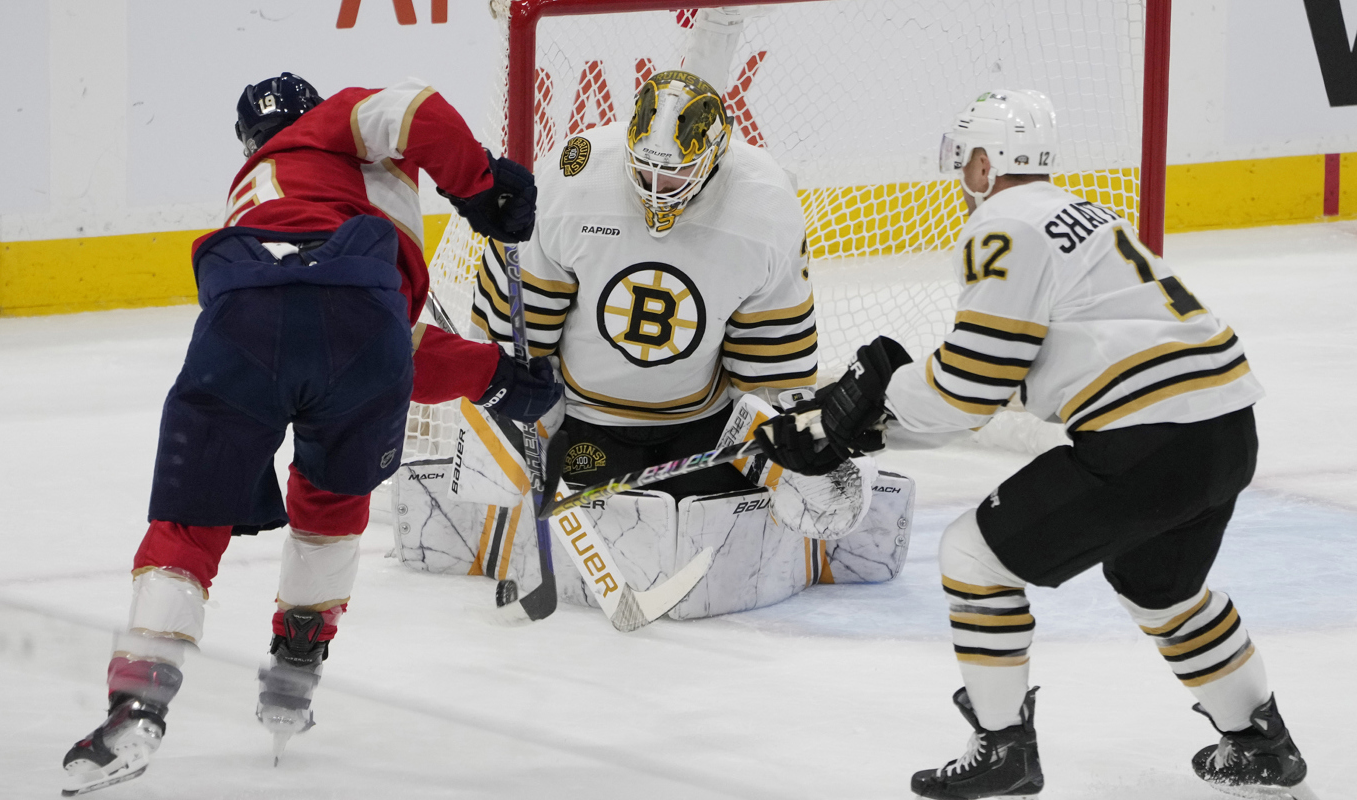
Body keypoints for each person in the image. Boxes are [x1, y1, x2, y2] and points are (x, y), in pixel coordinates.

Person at [755, 89, 1315, 799]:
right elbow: (996, 383)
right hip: (1226, 432)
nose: (960, 176)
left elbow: (970, 386)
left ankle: (1003, 749)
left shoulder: (1003, 225)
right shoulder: (1082, 215)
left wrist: (855, 414)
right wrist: (861, 425)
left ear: (985, 164)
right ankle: (1262, 744)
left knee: (972, 556)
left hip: (1150, 438)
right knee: (1161, 588)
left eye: (965, 160)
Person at [61, 72, 561, 795]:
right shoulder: (336, 122)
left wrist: (492, 373)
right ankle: (295, 669)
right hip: (364, 333)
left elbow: (307, 302)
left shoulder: (251, 189)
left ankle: (135, 707)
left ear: (247, 143)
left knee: (189, 522)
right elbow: (417, 111)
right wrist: (480, 187)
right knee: (330, 503)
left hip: (240, 325)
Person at [400, 11, 915, 619]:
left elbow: (769, 367)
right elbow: (514, 329)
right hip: (581, 422)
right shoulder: (576, 176)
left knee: (826, 498)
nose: (656, 184)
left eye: (674, 174)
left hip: (702, 426)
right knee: (489, 457)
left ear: (715, 159)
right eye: (645, 168)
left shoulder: (765, 208)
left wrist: (788, 438)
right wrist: (523, 413)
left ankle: (811, 549)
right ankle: (498, 532)